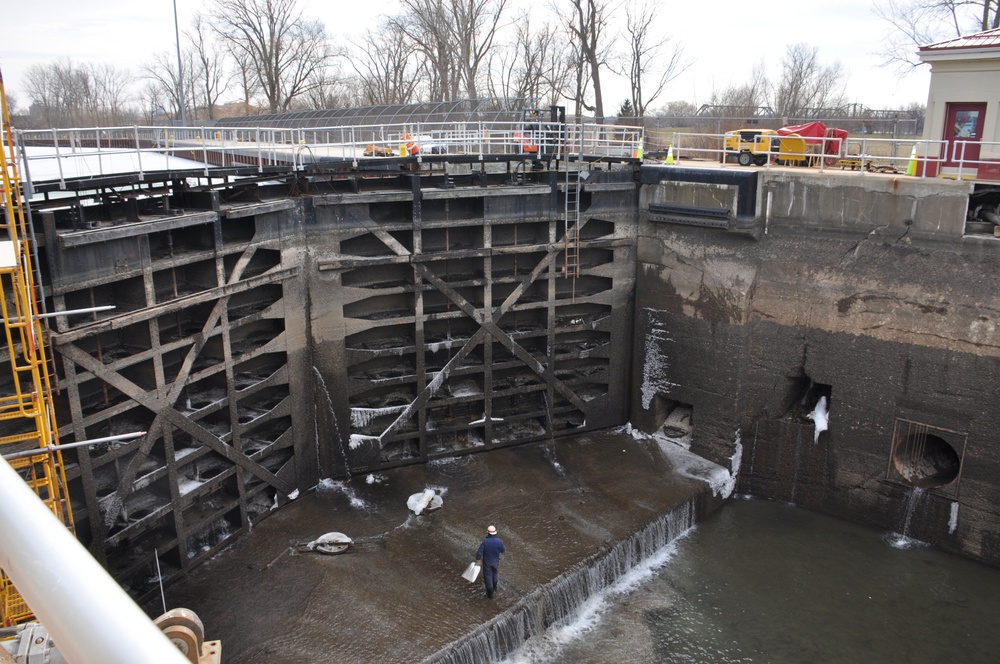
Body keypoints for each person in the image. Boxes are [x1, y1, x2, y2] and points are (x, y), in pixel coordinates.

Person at [475, 525, 506, 599]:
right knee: (495, 573)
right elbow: (503, 550)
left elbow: (479, 553)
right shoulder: (499, 541)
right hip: (496, 561)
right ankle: (495, 587)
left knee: (488, 575)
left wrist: (478, 560)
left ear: (488, 533)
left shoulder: (485, 541)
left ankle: (490, 593)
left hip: (487, 562)